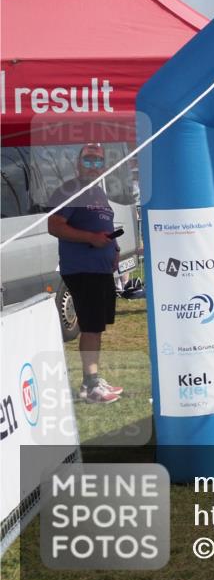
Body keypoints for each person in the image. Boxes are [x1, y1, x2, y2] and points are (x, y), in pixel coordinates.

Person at [46, 143, 124, 404]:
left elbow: (104, 227)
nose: (93, 165)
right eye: (88, 160)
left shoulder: (98, 193)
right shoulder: (69, 190)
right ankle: (91, 385)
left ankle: (91, 380)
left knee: (96, 327)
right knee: (90, 327)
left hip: (101, 269)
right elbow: (55, 225)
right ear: (77, 164)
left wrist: (114, 248)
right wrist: (91, 237)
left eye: (97, 161)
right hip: (82, 269)